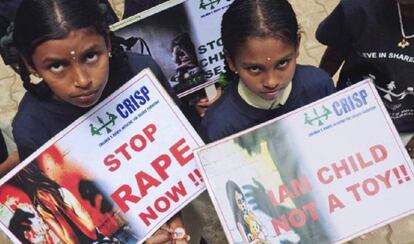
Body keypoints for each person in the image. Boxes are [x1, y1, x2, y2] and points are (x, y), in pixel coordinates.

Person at [6, 0, 189, 243]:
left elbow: (175, 148)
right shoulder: (33, 127)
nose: (82, 80)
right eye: (57, 65)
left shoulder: (141, 74)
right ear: (31, 66)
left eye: (91, 56)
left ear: (108, 43)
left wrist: (174, 212)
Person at [201, 0, 335, 143]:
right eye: (254, 69)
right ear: (231, 61)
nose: (271, 82)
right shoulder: (219, 126)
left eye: (282, 63)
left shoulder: (319, 87)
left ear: (297, 46)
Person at [316, 0, 414, 158]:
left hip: (404, 130)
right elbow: (334, 56)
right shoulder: (358, 7)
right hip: (349, 114)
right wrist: (317, 100)